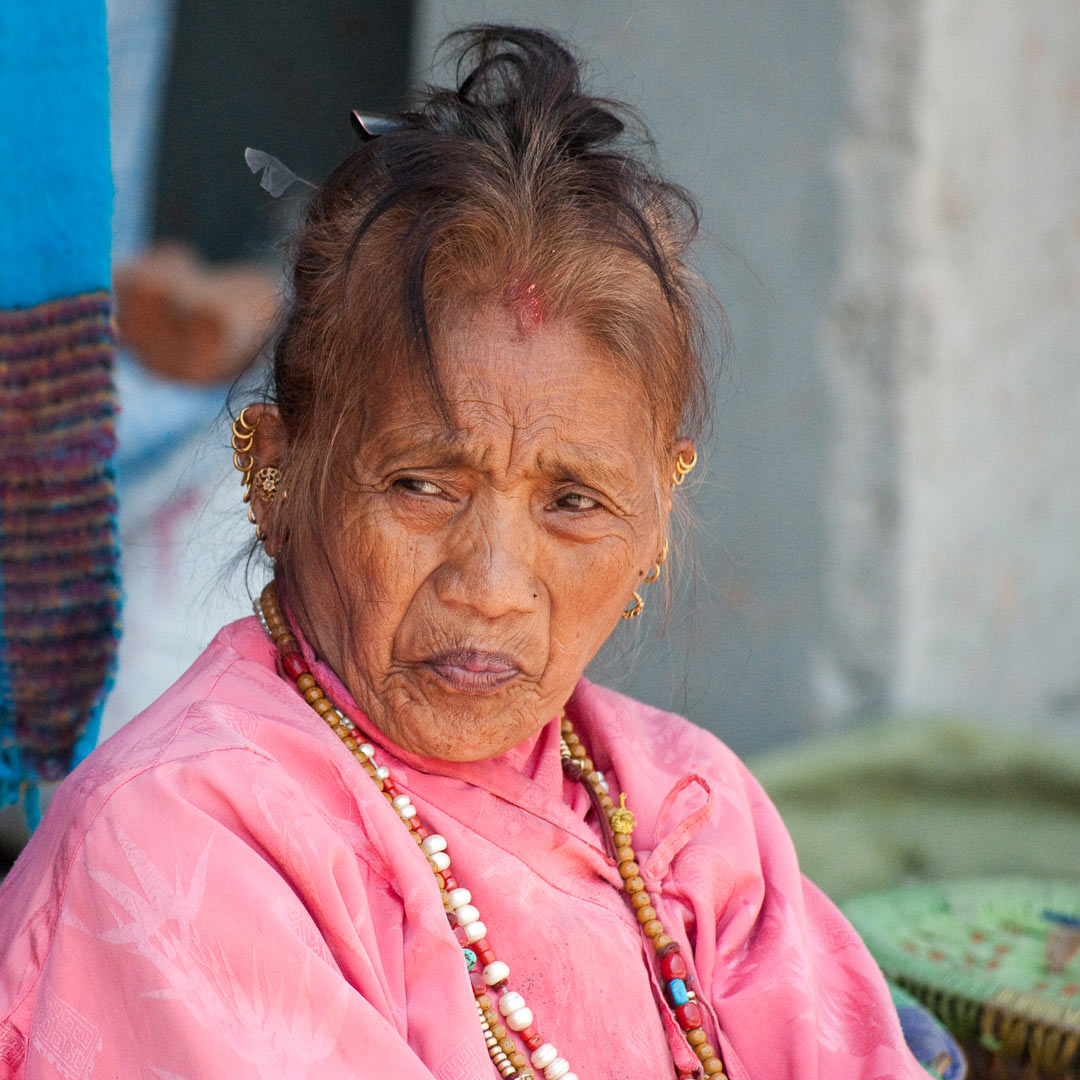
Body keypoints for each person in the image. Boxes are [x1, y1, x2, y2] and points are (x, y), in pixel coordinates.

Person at [0, 27, 925, 1080]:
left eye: (573, 502)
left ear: (656, 519)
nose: (489, 588)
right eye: (422, 486)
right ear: (276, 472)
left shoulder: (686, 819)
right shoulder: (180, 841)